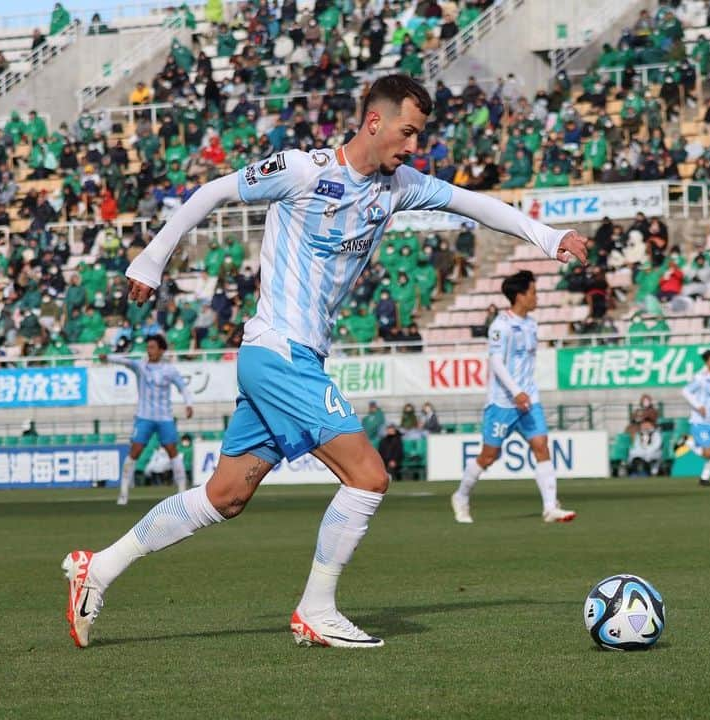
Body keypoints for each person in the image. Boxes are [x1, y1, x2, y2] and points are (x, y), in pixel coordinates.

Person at [62, 75, 587, 650]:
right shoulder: (303, 170)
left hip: (290, 357)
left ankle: (100, 568)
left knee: (225, 496)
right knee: (369, 475)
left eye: (420, 136)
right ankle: (317, 609)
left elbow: (473, 204)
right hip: (279, 352)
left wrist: (547, 235)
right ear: (374, 122)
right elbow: (211, 193)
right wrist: (150, 260)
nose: (414, 147)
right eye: (408, 133)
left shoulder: (398, 186)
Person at [451, 270, 577, 525]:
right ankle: (461, 496)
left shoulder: (531, 324)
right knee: (489, 456)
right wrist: (515, 391)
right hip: (503, 402)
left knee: (541, 445)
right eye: (533, 292)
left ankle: (550, 507)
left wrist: (525, 392)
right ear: (520, 296)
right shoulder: (501, 326)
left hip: (529, 399)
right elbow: (496, 362)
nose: (536, 297)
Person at [100, 334, 194, 505]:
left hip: (165, 417)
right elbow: (125, 361)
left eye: (152, 347)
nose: (149, 351)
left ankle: (182, 492)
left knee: (172, 451)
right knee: (134, 452)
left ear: (161, 350)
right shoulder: (141, 366)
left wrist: (189, 404)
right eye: (148, 347)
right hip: (144, 417)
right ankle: (123, 493)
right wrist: (108, 357)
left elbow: (183, 387)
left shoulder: (169, 370)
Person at [676, 349, 710, 487]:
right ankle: (688, 443)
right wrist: (698, 405)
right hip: (699, 421)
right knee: (707, 453)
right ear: (707, 362)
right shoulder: (700, 378)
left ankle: (704, 478)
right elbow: (685, 391)